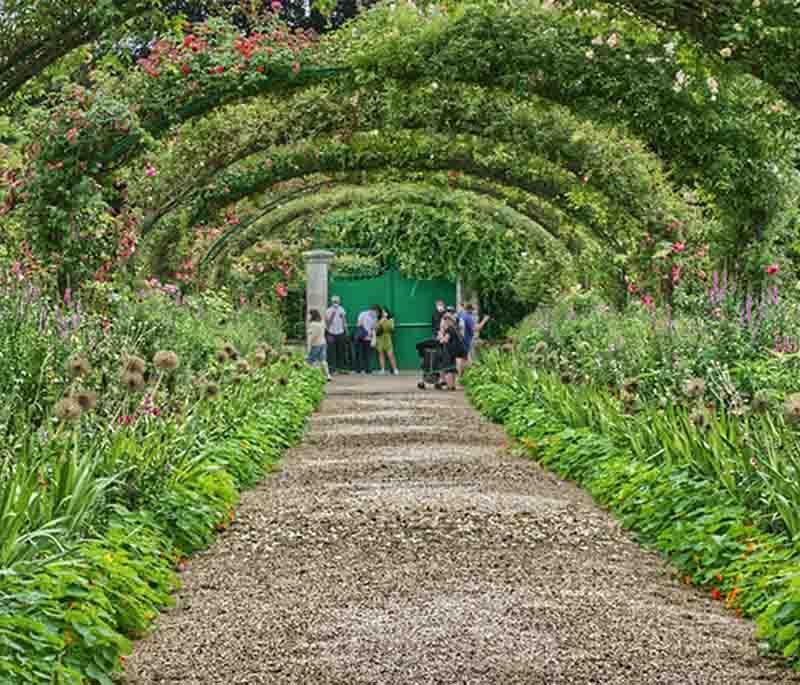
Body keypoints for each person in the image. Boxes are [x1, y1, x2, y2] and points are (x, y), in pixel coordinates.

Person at [437, 313, 467, 390]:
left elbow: (445, 340)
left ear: (448, 320)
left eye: (444, 320)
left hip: (451, 351)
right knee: (452, 368)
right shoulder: (455, 327)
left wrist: (440, 336)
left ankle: (450, 386)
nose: (443, 323)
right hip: (456, 350)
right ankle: (452, 385)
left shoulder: (449, 329)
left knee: (448, 368)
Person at [325, 295, 349, 374]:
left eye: (337, 301)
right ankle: (332, 369)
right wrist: (332, 314)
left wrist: (346, 331)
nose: (336, 303)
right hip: (331, 333)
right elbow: (328, 324)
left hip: (340, 333)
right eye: (334, 302)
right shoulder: (328, 311)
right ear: (332, 302)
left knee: (341, 351)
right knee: (331, 352)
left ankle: (341, 368)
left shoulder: (342, 309)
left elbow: (344, 321)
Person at [306, 309, 331, 380]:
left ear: (312, 315)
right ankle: (328, 375)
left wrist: (309, 345)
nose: (308, 316)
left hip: (315, 344)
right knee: (323, 360)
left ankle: (308, 375)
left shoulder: (313, 324)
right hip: (323, 343)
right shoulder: (322, 322)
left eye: (309, 314)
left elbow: (313, 336)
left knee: (309, 361)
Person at [353, 304, 380, 374]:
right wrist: (365, 333)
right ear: (373, 310)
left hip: (368, 339)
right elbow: (359, 324)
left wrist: (373, 333)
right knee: (359, 354)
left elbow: (374, 328)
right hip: (361, 338)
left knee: (367, 355)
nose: (376, 313)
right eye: (376, 312)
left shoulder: (375, 318)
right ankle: (358, 370)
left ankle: (367, 369)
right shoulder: (363, 314)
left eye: (377, 313)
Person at [375, 307, 399, 375]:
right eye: (382, 312)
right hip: (380, 338)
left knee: (390, 355)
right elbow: (376, 327)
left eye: (384, 312)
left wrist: (385, 320)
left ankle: (395, 369)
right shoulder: (378, 319)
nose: (383, 313)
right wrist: (381, 321)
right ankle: (382, 369)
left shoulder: (390, 319)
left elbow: (391, 328)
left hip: (387, 338)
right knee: (381, 354)